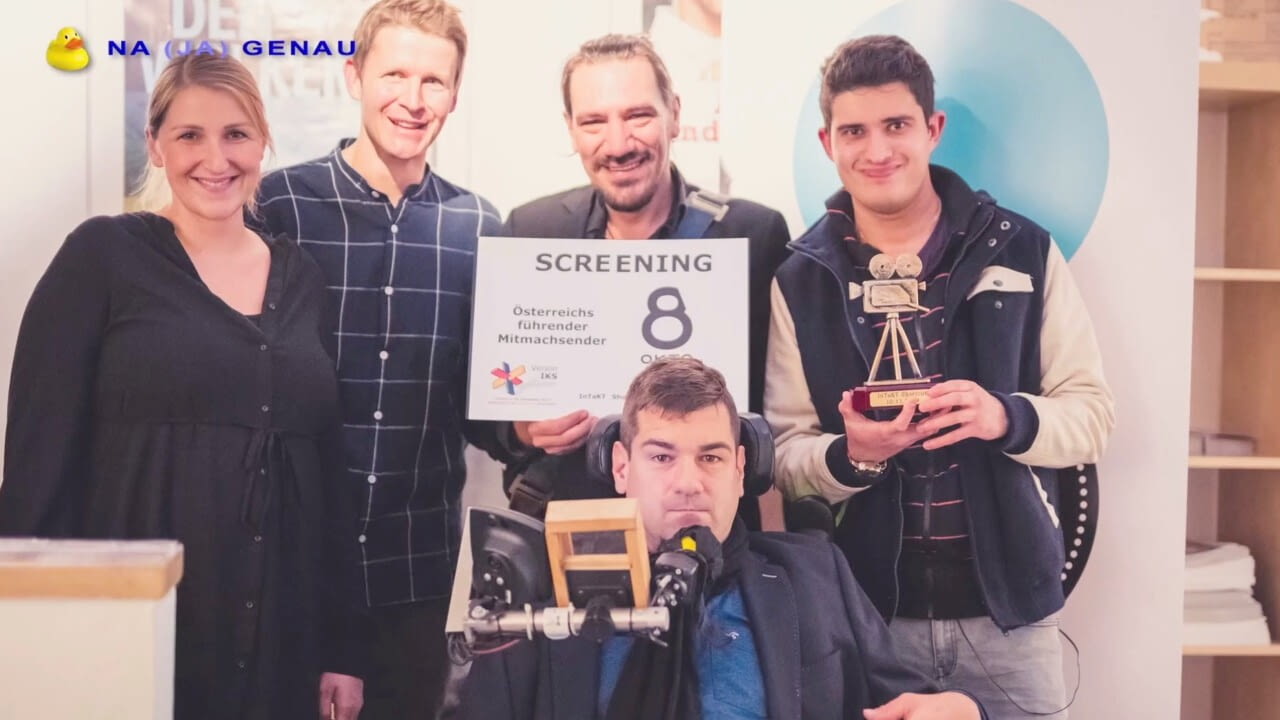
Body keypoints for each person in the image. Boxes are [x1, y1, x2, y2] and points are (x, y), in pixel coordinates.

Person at [0, 53, 364, 720]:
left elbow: (329, 476)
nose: (215, 158)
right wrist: (33, 628)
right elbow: (37, 461)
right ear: (155, 145)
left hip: (280, 639)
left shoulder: (303, 278)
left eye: (236, 134)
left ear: (263, 143)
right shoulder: (102, 257)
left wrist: (341, 647)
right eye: (190, 135)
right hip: (131, 629)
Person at [765, 35, 1116, 718]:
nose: (877, 150)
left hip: (1011, 620)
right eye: (854, 131)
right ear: (827, 142)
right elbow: (783, 456)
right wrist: (852, 456)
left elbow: (1092, 415)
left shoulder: (1022, 250)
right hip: (866, 620)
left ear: (933, 129)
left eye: (896, 125)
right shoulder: (801, 279)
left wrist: (1004, 417)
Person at [460, 357, 985, 719]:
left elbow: (914, 702)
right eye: (661, 457)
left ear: (739, 469)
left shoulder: (815, 573)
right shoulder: (541, 595)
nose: (688, 482)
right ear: (621, 467)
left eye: (710, 457)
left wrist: (963, 709)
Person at [251, 1, 505, 716]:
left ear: (455, 93)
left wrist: (523, 428)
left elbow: (481, 403)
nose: (413, 100)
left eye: (434, 81)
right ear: (355, 75)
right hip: (288, 565)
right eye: (395, 74)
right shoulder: (279, 207)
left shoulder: (479, 226)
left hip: (415, 577)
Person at [495, 33, 791, 528]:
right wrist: (523, 430)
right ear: (570, 129)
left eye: (637, 116)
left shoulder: (751, 235)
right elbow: (484, 412)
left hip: (707, 534)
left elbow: (775, 418)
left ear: (674, 114)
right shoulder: (530, 233)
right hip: (569, 530)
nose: (617, 144)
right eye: (593, 122)